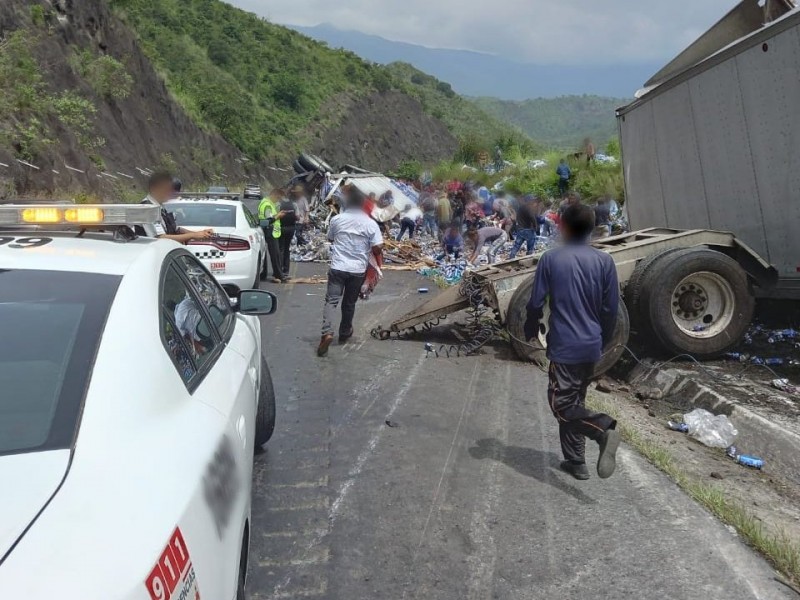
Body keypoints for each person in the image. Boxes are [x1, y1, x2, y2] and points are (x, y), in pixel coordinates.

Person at [524, 203, 621, 481]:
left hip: (564, 346)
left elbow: (535, 301)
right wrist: (601, 341)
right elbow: (610, 310)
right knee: (575, 400)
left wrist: (531, 327)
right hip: (591, 345)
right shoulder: (605, 262)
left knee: (561, 405)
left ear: (562, 226)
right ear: (592, 228)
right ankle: (576, 460)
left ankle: (603, 430)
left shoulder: (551, 259)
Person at [318, 191, 384, 357]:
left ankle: (327, 333)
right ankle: (345, 331)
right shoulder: (370, 224)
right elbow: (378, 247)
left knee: (331, 301)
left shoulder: (337, 220)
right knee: (349, 303)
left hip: (338, 267)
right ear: (362, 205)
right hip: (357, 270)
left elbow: (331, 238)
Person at [139, 172, 213, 243]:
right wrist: (193, 235)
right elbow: (161, 238)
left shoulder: (160, 207)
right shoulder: (148, 209)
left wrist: (201, 234)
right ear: (154, 189)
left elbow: (176, 229)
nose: (169, 192)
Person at [258, 189, 287, 283]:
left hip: (269, 231)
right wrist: (278, 215)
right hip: (270, 231)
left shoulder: (267, 203)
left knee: (269, 254)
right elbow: (268, 220)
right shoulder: (267, 205)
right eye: (278, 198)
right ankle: (279, 275)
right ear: (273, 194)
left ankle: (265, 274)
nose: (278, 200)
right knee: (275, 254)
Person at [278, 190, 298, 280]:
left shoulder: (278, 204)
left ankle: (280, 269)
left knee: (281, 249)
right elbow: (297, 217)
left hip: (281, 228)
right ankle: (286, 270)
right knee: (287, 249)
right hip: (291, 229)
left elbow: (276, 216)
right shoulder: (294, 205)